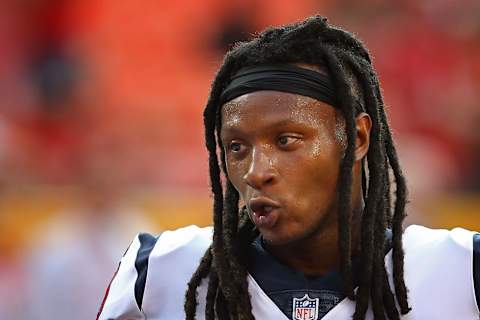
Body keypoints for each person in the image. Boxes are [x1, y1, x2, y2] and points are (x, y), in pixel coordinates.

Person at [97, 16, 480, 320]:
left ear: (358, 138)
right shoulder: (159, 272)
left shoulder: (462, 270)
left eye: (286, 141)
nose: (256, 171)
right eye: (236, 147)